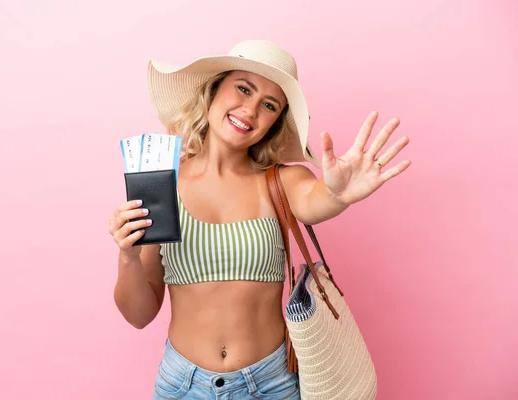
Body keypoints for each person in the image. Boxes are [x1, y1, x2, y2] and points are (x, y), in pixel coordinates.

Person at [109, 40, 410, 399]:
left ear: (275, 122)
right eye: (243, 88)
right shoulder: (162, 183)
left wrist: (337, 194)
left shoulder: (281, 180)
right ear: (214, 88)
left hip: (271, 384)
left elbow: (315, 201)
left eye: (269, 105)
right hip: (181, 386)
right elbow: (139, 315)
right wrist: (127, 256)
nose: (250, 110)